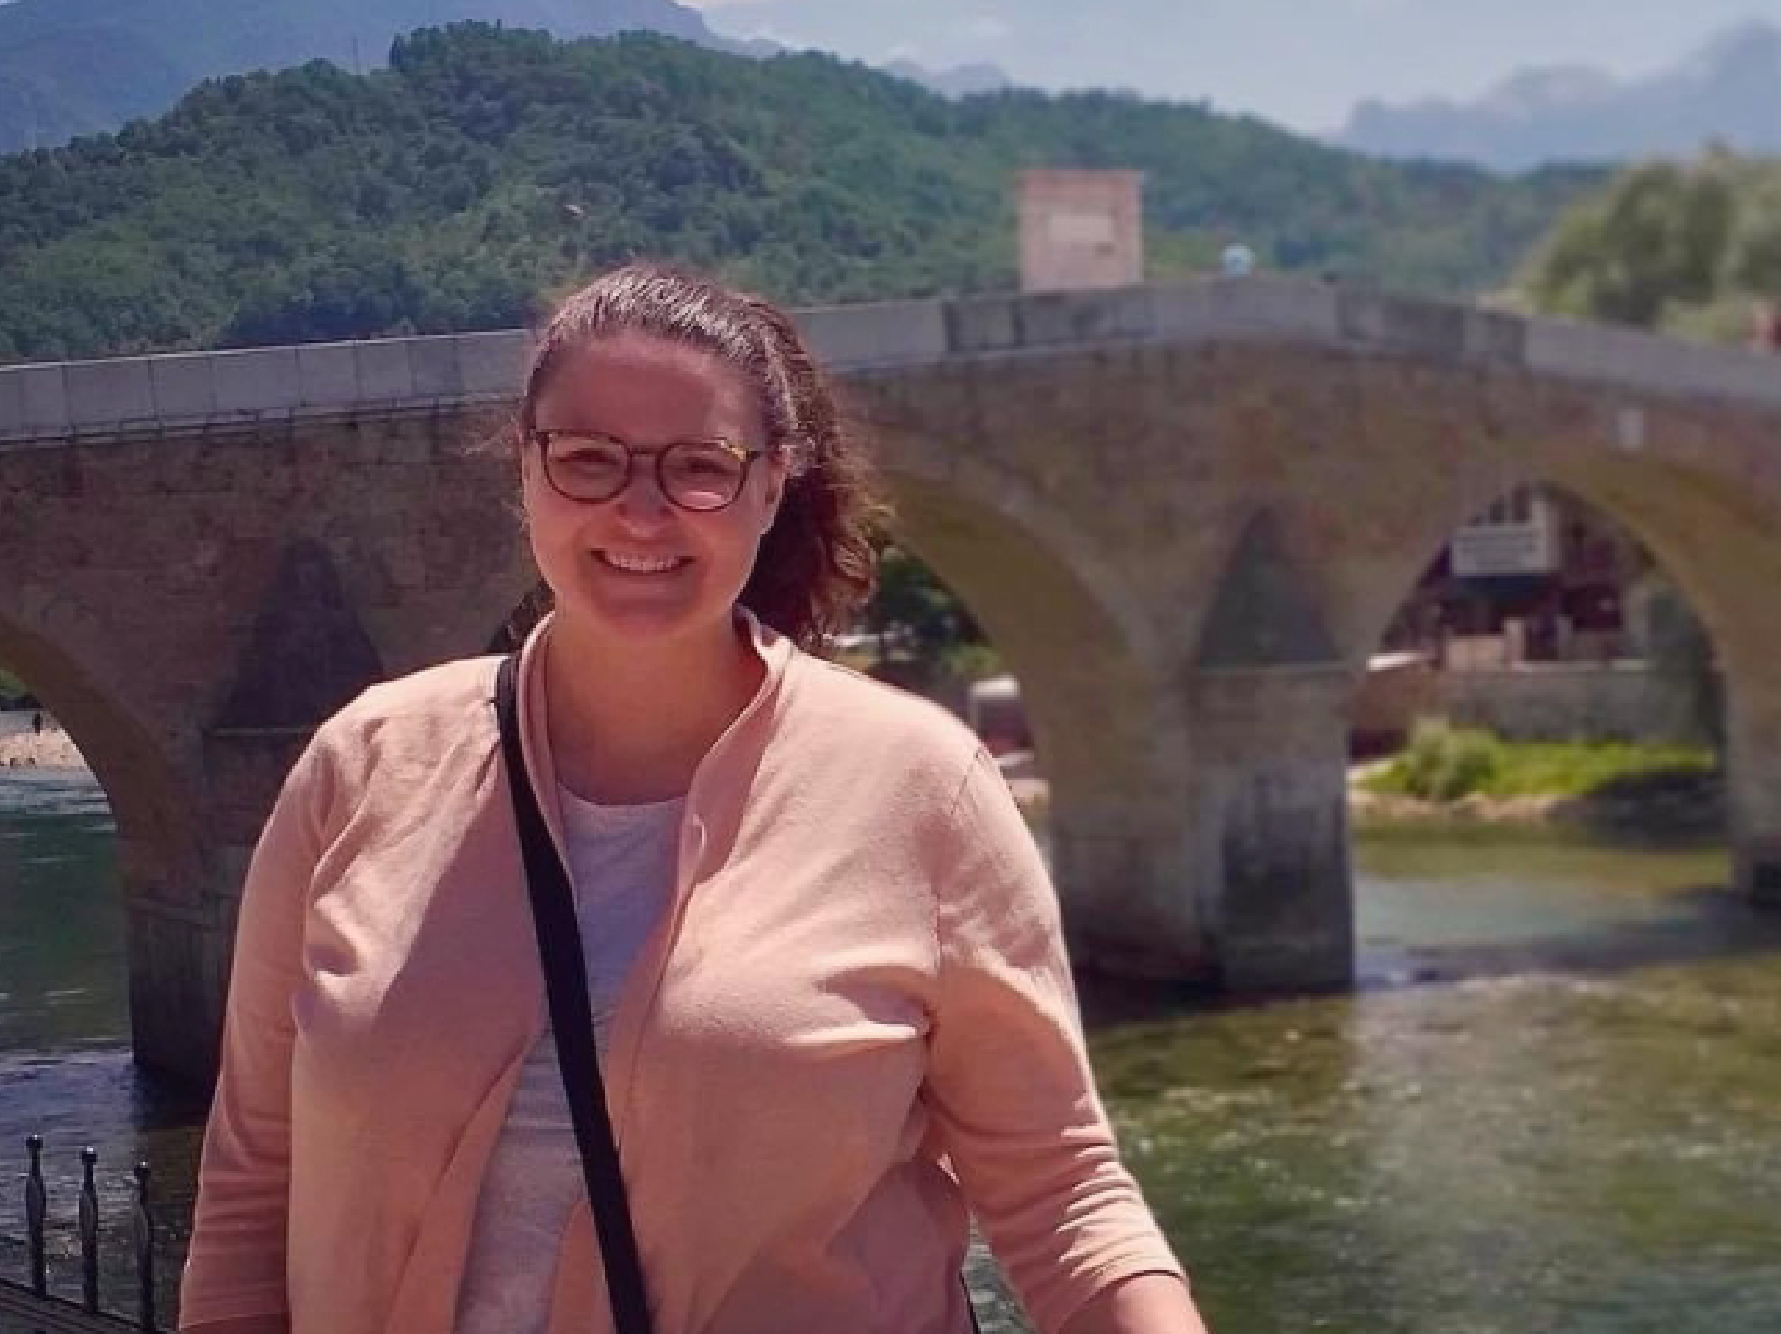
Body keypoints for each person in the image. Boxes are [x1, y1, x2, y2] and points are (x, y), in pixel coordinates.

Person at [179, 263, 1207, 1334]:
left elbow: (1061, 1199)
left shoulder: (919, 790)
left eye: (698, 467)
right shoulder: (361, 769)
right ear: (523, 474)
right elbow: (252, 1193)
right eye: (587, 460)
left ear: (770, 484)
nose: (639, 507)